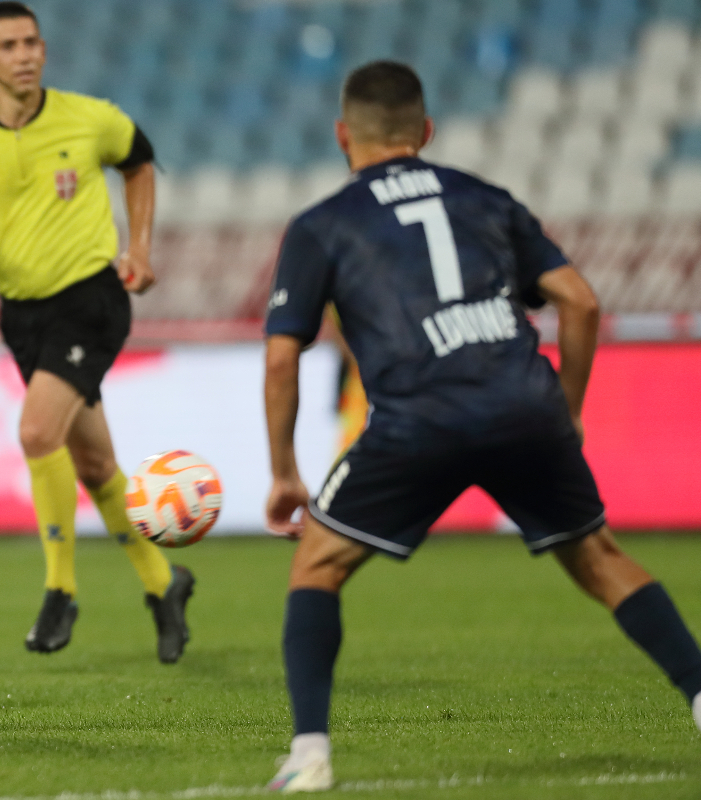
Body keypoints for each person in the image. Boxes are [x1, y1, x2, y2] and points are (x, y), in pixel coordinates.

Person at [261, 61, 701, 792]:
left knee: (318, 564)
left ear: (344, 135)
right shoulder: (484, 197)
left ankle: (309, 756)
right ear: (426, 132)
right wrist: (567, 405)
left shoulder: (323, 225)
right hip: (521, 403)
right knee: (600, 559)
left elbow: (282, 360)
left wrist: (282, 472)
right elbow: (582, 303)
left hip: (418, 418)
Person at [0, 1, 194, 663]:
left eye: (33, 42)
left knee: (37, 432)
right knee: (97, 464)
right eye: (10, 45)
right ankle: (165, 584)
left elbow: (139, 161)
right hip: (21, 315)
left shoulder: (90, 117)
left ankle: (60, 589)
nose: (25, 54)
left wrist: (140, 248)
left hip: (91, 299)